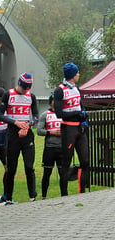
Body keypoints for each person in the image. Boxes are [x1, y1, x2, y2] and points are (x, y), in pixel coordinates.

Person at [0, 72, 39, 204]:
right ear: (19, 84)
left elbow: (36, 116)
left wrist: (27, 126)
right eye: (23, 88)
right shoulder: (8, 94)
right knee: (11, 168)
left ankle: (33, 195)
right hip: (12, 133)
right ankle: (8, 197)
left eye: (27, 89)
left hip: (27, 133)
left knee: (29, 166)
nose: (25, 91)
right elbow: (0, 115)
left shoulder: (31, 96)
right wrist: (15, 123)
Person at [54, 62, 89, 195]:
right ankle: (64, 194)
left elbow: (81, 107)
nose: (79, 74)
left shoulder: (76, 88)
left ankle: (82, 191)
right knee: (66, 162)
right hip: (68, 129)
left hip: (80, 129)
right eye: (77, 73)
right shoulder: (59, 90)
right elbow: (59, 113)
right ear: (72, 75)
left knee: (85, 161)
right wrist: (76, 114)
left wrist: (84, 118)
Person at [38, 93, 66, 199]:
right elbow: (39, 131)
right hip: (50, 147)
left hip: (62, 147)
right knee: (47, 172)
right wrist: (51, 132)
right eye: (54, 100)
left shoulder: (64, 114)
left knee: (63, 173)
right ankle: (44, 196)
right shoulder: (45, 114)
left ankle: (64, 195)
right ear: (51, 102)